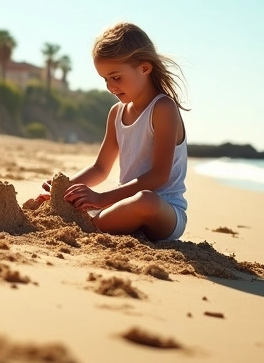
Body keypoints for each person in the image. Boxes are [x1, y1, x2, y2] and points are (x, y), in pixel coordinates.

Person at [37, 22, 189, 241]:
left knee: (145, 200)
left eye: (116, 77)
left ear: (145, 68)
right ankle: (94, 223)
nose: (110, 87)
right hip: (124, 206)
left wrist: (101, 198)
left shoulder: (163, 108)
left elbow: (158, 175)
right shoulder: (116, 113)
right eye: (105, 79)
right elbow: (100, 168)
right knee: (115, 204)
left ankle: (90, 225)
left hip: (165, 213)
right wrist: (63, 191)